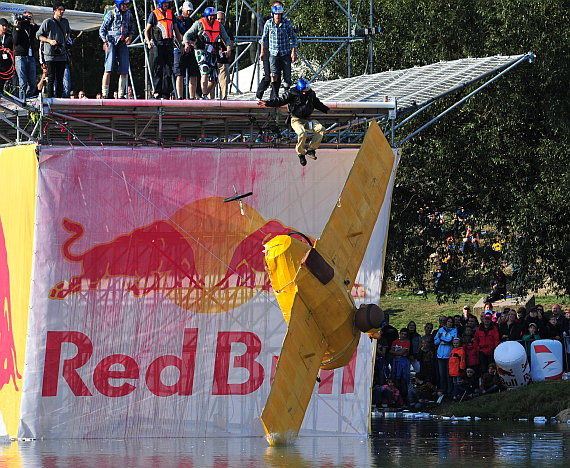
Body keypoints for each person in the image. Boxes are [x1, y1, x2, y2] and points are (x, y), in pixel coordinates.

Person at [258, 78, 331, 166]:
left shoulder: (311, 93)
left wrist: (327, 110)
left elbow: (317, 104)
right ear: (299, 89)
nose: (304, 93)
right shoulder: (291, 93)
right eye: (303, 91)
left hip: (307, 119)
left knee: (321, 129)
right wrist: (267, 103)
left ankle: (311, 150)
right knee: (302, 133)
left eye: (306, 91)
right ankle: (301, 153)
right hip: (296, 120)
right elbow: (280, 100)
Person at [183, 7, 232, 100]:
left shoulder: (219, 25)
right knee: (204, 70)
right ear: (206, 16)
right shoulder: (199, 23)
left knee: (214, 77)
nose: (212, 18)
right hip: (201, 50)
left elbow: (226, 38)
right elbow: (187, 34)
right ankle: (205, 95)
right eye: (210, 16)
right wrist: (186, 44)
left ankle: (201, 95)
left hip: (212, 51)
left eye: (214, 16)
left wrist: (229, 49)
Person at [145, 0, 183, 99]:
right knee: (158, 69)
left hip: (169, 45)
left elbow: (176, 30)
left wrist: (180, 45)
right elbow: (147, 31)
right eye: (165, 3)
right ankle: (157, 92)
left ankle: (165, 93)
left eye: (168, 3)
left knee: (168, 70)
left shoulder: (171, 14)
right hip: (158, 45)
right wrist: (148, 42)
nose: (167, 5)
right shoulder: (154, 14)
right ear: (160, 3)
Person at [260, 3, 297, 97]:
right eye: (276, 14)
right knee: (273, 74)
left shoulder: (286, 23)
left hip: (285, 52)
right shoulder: (268, 23)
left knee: (287, 77)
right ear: (273, 15)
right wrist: (262, 52)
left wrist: (293, 52)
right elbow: (264, 38)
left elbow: (293, 37)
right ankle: (275, 95)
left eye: (279, 14)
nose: (278, 16)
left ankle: (287, 95)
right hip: (273, 52)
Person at [100, 0, 134, 99]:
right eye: (124, 5)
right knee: (108, 68)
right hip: (111, 42)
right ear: (119, 4)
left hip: (122, 43)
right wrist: (104, 41)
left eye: (127, 5)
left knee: (124, 69)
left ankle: (121, 94)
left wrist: (130, 36)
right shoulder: (112, 13)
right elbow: (102, 29)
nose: (125, 7)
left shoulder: (129, 14)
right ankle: (104, 94)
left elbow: (132, 28)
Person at [37, 1, 71, 98]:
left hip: (61, 54)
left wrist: (66, 38)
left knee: (60, 79)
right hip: (50, 55)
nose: (62, 11)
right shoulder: (48, 22)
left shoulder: (65, 22)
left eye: (63, 9)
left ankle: (59, 99)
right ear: (55, 11)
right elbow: (38, 35)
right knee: (51, 78)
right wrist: (49, 41)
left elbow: (69, 31)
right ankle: (50, 99)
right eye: (60, 9)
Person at [255, 0, 283, 100]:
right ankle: (258, 95)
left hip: (279, 52)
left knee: (277, 77)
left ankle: (274, 98)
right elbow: (265, 35)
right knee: (268, 76)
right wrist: (262, 52)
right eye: (276, 8)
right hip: (268, 51)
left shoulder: (284, 22)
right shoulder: (265, 21)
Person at [174, 1, 199, 99]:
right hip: (179, 49)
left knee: (193, 74)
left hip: (192, 49)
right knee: (179, 74)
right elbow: (175, 32)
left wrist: (193, 43)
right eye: (187, 11)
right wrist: (185, 41)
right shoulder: (176, 20)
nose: (189, 13)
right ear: (182, 9)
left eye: (190, 11)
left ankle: (192, 97)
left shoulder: (192, 22)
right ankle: (180, 97)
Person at [12, 11, 39, 99]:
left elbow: (37, 33)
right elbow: (15, 42)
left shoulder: (30, 28)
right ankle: (22, 100)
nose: (27, 20)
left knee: (33, 83)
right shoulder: (18, 27)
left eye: (29, 18)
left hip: (30, 56)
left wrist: (33, 22)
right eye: (26, 18)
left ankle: (29, 98)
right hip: (20, 56)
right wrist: (16, 28)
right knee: (23, 82)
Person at [208, 10, 233, 99]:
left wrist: (221, 36)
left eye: (222, 19)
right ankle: (209, 102)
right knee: (211, 81)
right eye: (218, 19)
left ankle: (224, 100)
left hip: (223, 60)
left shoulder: (227, 31)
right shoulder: (209, 28)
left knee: (224, 83)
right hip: (212, 59)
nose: (220, 21)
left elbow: (231, 44)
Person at [434, 316, 457, 396]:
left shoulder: (454, 330)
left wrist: (442, 338)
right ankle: (443, 390)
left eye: (451, 322)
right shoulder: (441, 330)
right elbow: (435, 341)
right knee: (442, 375)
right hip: (440, 355)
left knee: (448, 374)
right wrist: (441, 339)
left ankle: (449, 391)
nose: (449, 323)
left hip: (449, 355)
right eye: (448, 322)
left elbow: (450, 340)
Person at [389, 328, 410, 403]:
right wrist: (399, 353)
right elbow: (391, 351)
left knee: (403, 383)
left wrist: (396, 352)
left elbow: (401, 353)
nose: (403, 336)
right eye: (402, 334)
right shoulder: (395, 342)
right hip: (395, 364)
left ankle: (404, 400)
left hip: (402, 365)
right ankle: (396, 399)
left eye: (405, 334)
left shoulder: (407, 343)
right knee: (396, 382)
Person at [0, 18, 14, 95]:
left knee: (9, 84)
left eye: (6, 26)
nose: (4, 28)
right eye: (3, 26)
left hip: (7, 65)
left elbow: (14, 50)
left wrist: (10, 52)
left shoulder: (10, 37)